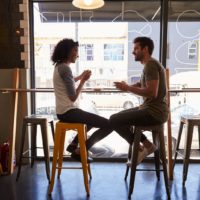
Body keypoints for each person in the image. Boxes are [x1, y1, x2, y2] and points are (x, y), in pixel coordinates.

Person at [109, 37, 169, 164]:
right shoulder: (151, 64)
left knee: (114, 119)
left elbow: (152, 92)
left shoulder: (150, 65)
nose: (133, 52)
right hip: (152, 110)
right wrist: (132, 85)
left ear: (145, 49)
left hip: (154, 112)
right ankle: (146, 145)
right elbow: (146, 83)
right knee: (117, 118)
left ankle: (145, 146)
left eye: (136, 48)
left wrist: (127, 88)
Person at [52, 38, 113, 161]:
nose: (77, 54)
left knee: (91, 120)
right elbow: (73, 97)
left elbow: (68, 81)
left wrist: (80, 77)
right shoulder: (65, 68)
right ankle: (81, 150)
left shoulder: (59, 66)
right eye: (75, 50)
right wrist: (83, 81)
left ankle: (74, 145)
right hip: (68, 112)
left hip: (62, 112)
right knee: (109, 125)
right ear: (67, 51)